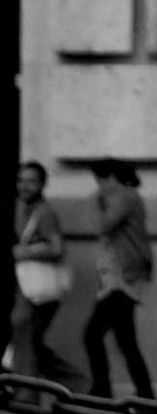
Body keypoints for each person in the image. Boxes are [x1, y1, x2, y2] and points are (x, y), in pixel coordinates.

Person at [82, 158, 154, 401]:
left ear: (112, 177)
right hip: (118, 278)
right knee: (125, 340)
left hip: (123, 279)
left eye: (100, 180)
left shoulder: (124, 197)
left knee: (93, 335)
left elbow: (101, 226)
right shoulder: (126, 197)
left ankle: (103, 390)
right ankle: (143, 394)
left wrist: (93, 201)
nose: (98, 186)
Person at [10, 162, 85, 388]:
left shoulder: (45, 213)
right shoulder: (22, 209)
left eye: (31, 181)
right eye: (21, 181)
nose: (25, 186)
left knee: (25, 339)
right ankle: (79, 385)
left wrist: (26, 252)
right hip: (26, 288)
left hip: (38, 291)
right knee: (29, 343)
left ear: (42, 184)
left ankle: (29, 398)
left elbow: (56, 248)